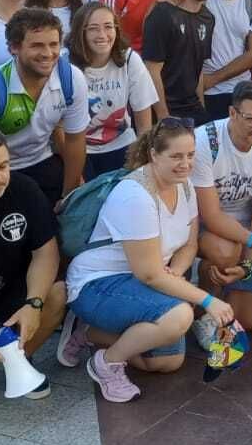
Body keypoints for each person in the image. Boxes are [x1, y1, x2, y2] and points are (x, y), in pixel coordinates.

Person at [64, 121, 228, 401]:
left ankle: (89, 332)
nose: (185, 163)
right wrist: (208, 300)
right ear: (154, 154)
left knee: (167, 362)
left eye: (190, 155)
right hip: (98, 282)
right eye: (176, 156)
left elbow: (190, 244)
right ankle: (107, 363)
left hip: (142, 280)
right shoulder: (136, 195)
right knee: (180, 315)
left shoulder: (184, 185)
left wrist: (176, 272)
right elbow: (149, 275)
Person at [0, 8, 89, 208]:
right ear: (14, 47)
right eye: (37, 45)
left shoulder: (71, 78)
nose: (47, 54)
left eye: (53, 44)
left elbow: (76, 139)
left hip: (41, 159)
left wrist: (69, 194)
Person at [191, 80, 252, 335]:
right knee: (224, 251)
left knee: (251, 320)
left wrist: (247, 263)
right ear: (232, 113)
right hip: (203, 224)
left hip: (247, 227)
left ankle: (228, 284)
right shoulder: (204, 141)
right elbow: (210, 216)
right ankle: (201, 309)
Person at [69, 1, 158, 178]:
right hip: (78, 148)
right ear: (81, 32)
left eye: (108, 26)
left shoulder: (130, 60)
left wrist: (142, 163)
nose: (102, 35)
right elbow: (59, 127)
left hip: (121, 143)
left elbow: (143, 122)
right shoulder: (65, 63)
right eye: (93, 28)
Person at [140, 0, 216, 126]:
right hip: (166, 111)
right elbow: (152, 69)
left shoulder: (208, 18)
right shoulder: (163, 14)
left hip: (193, 109)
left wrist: (201, 108)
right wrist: (163, 116)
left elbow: (197, 69)